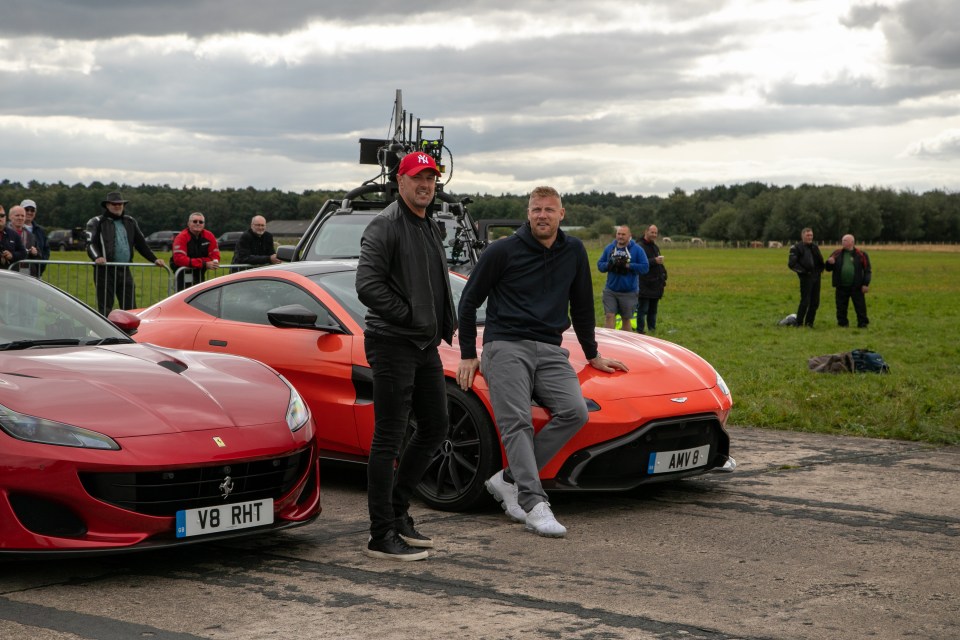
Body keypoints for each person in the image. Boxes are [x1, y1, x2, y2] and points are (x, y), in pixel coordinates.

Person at [456, 185, 628, 539]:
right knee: (517, 421)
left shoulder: (574, 251)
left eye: (549, 210)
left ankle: (507, 479)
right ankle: (534, 503)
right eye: (536, 209)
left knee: (575, 411)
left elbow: (582, 306)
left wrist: (592, 352)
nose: (542, 215)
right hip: (505, 345)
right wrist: (468, 354)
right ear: (528, 212)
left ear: (561, 214)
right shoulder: (501, 251)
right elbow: (469, 301)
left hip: (550, 348)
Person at [355, 151, 456, 561]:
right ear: (400, 182)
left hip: (423, 345)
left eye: (431, 178)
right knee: (389, 437)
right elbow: (367, 285)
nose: (426, 185)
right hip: (392, 342)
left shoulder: (428, 225)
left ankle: (398, 513)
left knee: (435, 426)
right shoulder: (384, 226)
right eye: (418, 178)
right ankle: (381, 534)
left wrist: (436, 324)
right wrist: (411, 316)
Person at [86, 191, 167, 316]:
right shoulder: (96, 222)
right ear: (107, 205)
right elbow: (90, 243)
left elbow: (141, 244)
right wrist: (97, 257)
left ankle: (130, 333)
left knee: (130, 307)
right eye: (114, 204)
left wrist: (154, 259)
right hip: (105, 270)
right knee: (105, 307)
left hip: (124, 269)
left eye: (120, 204)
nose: (117, 206)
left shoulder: (130, 221)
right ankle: (105, 332)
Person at [596, 225, 648, 330]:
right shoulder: (609, 248)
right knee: (609, 315)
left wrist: (628, 265)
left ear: (629, 236)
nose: (620, 236)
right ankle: (609, 342)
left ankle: (624, 343)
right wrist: (609, 265)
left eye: (623, 234)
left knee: (626, 318)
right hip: (611, 290)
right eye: (618, 234)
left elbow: (645, 267)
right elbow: (600, 265)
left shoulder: (637, 249)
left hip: (629, 291)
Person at [825, 234, 871, 328]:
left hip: (857, 286)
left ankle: (862, 323)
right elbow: (828, 268)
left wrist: (865, 284)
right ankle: (842, 323)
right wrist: (829, 263)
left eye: (845, 240)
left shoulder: (861, 254)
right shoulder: (837, 253)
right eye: (842, 240)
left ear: (852, 242)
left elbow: (867, 270)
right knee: (841, 306)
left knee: (860, 306)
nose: (843, 242)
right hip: (841, 285)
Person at [787, 227, 825, 328]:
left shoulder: (815, 247)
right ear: (802, 236)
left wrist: (821, 269)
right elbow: (792, 264)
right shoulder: (796, 248)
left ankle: (809, 323)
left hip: (816, 276)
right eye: (808, 235)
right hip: (806, 277)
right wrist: (804, 272)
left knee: (815, 302)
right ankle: (799, 323)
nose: (810, 237)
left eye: (811, 235)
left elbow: (819, 260)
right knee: (805, 301)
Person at [172, 212, 220, 291]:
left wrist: (199, 263)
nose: (198, 224)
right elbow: (179, 259)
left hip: (200, 274)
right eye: (195, 221)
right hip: (183, 275)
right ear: (188, 223)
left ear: (204, 224)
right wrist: (203, 263)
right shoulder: (181, 237)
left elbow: (215, 258)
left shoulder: (209, 236)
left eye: (201, 222)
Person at [637, 224, 667, 334]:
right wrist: (654, 261)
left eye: (656, 233)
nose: (654, 235)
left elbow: (658, 263)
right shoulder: (639, 246)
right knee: (643, 309)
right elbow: (639, 263)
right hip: (644, 283)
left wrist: (663, 274)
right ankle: (640, 331)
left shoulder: (655, 246)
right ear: (646, 232)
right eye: (652, 232)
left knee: (653, 310)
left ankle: (652, 330)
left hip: (656, 284)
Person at [7, 206, 39, 276]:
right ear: (10, 217)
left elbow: (39, 255)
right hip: (8, 273)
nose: (20, 218)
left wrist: (35, 253)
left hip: (27, 273)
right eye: (17, 215)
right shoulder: (4, 233)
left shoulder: (31, 236)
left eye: (22, 216)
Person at [21, 199, 50, 276]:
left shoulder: (40, 231)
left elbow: (46, 250)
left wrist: (41, 266)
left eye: (32, 210)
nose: (29, 212)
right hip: (17, 271)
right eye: (26, 209)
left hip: (36, 273)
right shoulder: (14, 228)